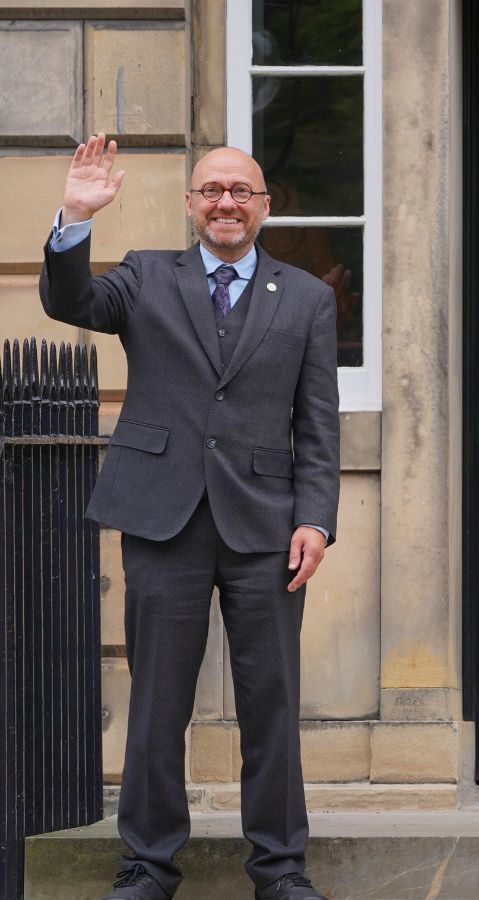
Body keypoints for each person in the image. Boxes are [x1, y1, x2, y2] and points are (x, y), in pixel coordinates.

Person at [39, 135, 340, 900]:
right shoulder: (145, 275)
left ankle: (279, 870)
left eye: (242, 190)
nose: (226, 202)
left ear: (264, 206)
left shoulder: (305, 297)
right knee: (156, 706)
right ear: (190, 204)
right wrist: (75, 214)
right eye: (212, 189)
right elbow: (69, 302)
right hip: (161, 517)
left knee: (269, 705)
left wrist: (317, 519)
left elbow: (319, 424)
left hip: (266, 528)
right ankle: (147, 867)